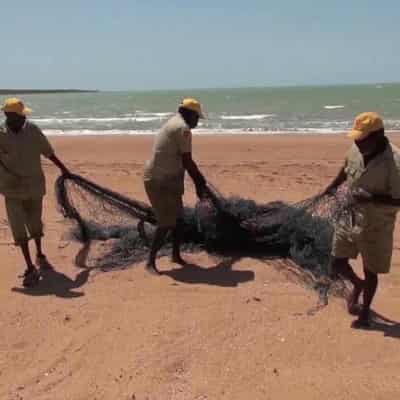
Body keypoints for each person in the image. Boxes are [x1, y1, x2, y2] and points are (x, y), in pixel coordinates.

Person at [323, 112, 400, 328]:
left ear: (380, 135)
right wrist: (333, 185)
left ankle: (365, 312)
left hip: (377, 223)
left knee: (371, 270)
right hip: (350, 215)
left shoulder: (394, 162)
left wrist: (372, 198)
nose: (358, 142)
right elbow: (346, 168)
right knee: (337, 262)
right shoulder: (357, 147)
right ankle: (357, 285)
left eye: (363, 138)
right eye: (357, 138)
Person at [0, 98, 70, 287]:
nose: (24, 118)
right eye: (21, 116)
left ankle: (40, 255)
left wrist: (64, 169)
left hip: (34, 186)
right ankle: (29, 267)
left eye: (24, 116)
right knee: (18, 227)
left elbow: (48, 152)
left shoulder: (33, 130)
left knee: (35, 223)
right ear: (9, 116)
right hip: (11, 189)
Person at [143, 98, 208, 274]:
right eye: (197, 118)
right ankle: (150, 262)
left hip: (168, 179)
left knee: (179, 221)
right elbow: (188, 161)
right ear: (190, 114)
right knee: (165, 223)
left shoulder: (174, 122)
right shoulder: (183, 129)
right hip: (159, 181)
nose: (197, 122)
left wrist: (199, 182)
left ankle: (175, 255)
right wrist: (200, 183)